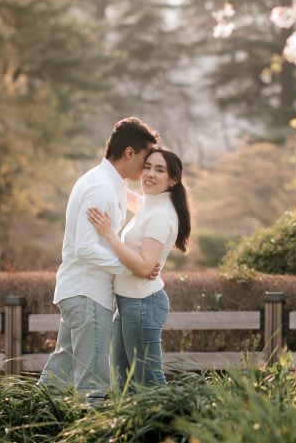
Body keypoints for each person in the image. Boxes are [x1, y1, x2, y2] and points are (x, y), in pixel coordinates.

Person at [38, 117, 160, 399]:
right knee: (93, 383)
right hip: (87, 294)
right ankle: (93, 441)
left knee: (59, 372)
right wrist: (132, 268)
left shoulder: (109, 183)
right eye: (144, 159)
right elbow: (86, 247)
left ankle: (26, 424)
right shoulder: (100, 187)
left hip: (81, 292)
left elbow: (144, 204)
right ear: (129, 153)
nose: (146, 168)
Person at [87, 147, 192, 389]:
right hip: (127, 305)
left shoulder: (161, 215)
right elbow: (122, 191)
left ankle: (177, 425)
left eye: (159, 170)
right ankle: (132, 426)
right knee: (123, 381)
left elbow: (145, 268)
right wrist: (110, 166)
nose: (150, 174)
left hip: (143, 304)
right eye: (147, 167)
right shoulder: (149, 205)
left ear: (173, 180)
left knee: (149, 380)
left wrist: (109, 234)